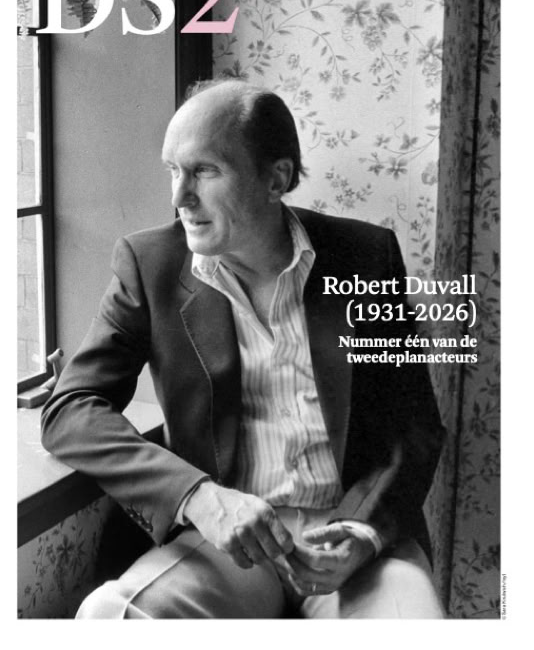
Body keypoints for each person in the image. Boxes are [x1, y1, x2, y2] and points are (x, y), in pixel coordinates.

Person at [41, 79, 446, 619]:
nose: (179, 196)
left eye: (204, 171)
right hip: (224, 542)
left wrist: (363, 531)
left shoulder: (366, 256)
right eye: (173, 170)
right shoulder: (149, 264)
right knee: (110, 617)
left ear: (276, 178)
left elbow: (413, 427)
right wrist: (200, 497)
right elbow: (70, 410)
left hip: (353, 538)